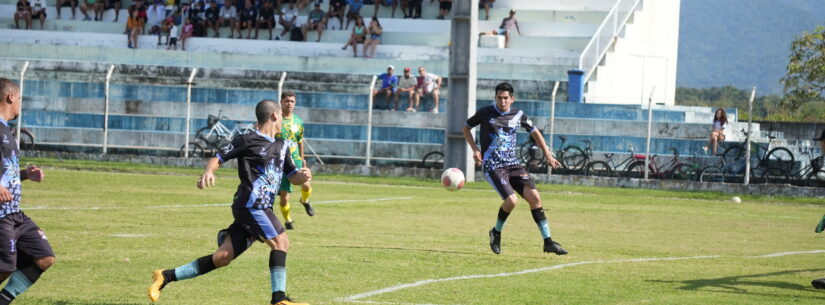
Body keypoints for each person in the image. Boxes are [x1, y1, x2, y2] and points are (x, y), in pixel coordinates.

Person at [147, 99, 312, 305]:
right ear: (274, 116)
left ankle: (165, 276)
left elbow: (292, 175)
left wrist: (302, 176)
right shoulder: (247, 139)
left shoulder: (282, 145)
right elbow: (218, 157)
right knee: (282, 242)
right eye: (280, 114)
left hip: (260, 208)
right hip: (252, 205)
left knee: (222, 257)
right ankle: (279, 299)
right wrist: (208, 170)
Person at [462, 82, 568, 256]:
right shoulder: (485, 113)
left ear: (512, 99)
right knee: (511, 201)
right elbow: (466, 128)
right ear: (495, 98)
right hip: (493, 166)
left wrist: (548, 154)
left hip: (512, 164)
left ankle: (548, 242)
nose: (502, 101)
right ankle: (496, 233)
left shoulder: (518, 114)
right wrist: (475, 149)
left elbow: (535, 132)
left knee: (535, 198)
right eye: (499, 98)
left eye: (505, 98)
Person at [0, 78, 54, 305]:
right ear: (11, 97)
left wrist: (24, 174)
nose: (20, 103)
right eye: (20, 98)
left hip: (15, 214)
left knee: (44, 257)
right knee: (5, 267)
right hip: (1, 215)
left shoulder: (6, 131)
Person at [276, 91, 316, 230]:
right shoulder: (275, 120)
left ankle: (304, 200)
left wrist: (302, 159)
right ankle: (288, 220)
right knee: (284, 198)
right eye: (287, 101)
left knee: (306, 185)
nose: (289, 104)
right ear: (281, 102)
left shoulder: (298, 121)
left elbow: (300, 142)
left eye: (292, 101)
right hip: (281, 162)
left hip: (296, 160)